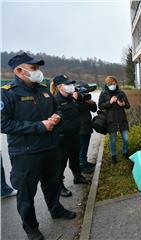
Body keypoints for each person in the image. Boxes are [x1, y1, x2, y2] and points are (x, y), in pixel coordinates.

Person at [1, 53, 76, 240]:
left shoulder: (43, 90)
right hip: (25, 153)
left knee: (52, 183)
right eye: (33, 68)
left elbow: (56, 108)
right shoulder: (8, 93)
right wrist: (39, 126)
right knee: (26, 193)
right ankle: (31, 227)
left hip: (49, 147)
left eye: (37, 68)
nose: (38, 72)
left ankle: (55, 209)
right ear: (19, 70)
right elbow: (3, 124)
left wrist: (57, 116)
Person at [50, 75, 89, 198]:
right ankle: (59, 186)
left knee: (75, 157)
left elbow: (81, 110)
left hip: (74, 134)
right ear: (60, 87)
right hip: (62, 137)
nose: (71, 86)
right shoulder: (55, 101)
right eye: (68, 84)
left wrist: (78, 99)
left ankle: (77, 176)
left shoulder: (72, 99)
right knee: (61, 162)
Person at [98, 76, 130, 164]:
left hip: (122, 119)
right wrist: (110, 102)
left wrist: (123, 104)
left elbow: (128, 105)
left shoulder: (121, 93)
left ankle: (125, 152)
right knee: (113, 140)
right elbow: (100, 106)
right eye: (111, 84)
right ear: (107, 84)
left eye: (114, 83)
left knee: (126, 138)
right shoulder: (104, 93)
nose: (113, 85)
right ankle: (113, 156)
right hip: (111, 121)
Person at [78, 86, 97, 173]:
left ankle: (85, 162)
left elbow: (94, 110)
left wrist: (92, 103)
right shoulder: (76, 102)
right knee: (82, 147)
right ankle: (82, 165)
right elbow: (79, 109)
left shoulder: (86, 102)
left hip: (87, 126)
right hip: (80, 128)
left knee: (85, 146)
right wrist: (83, 101)